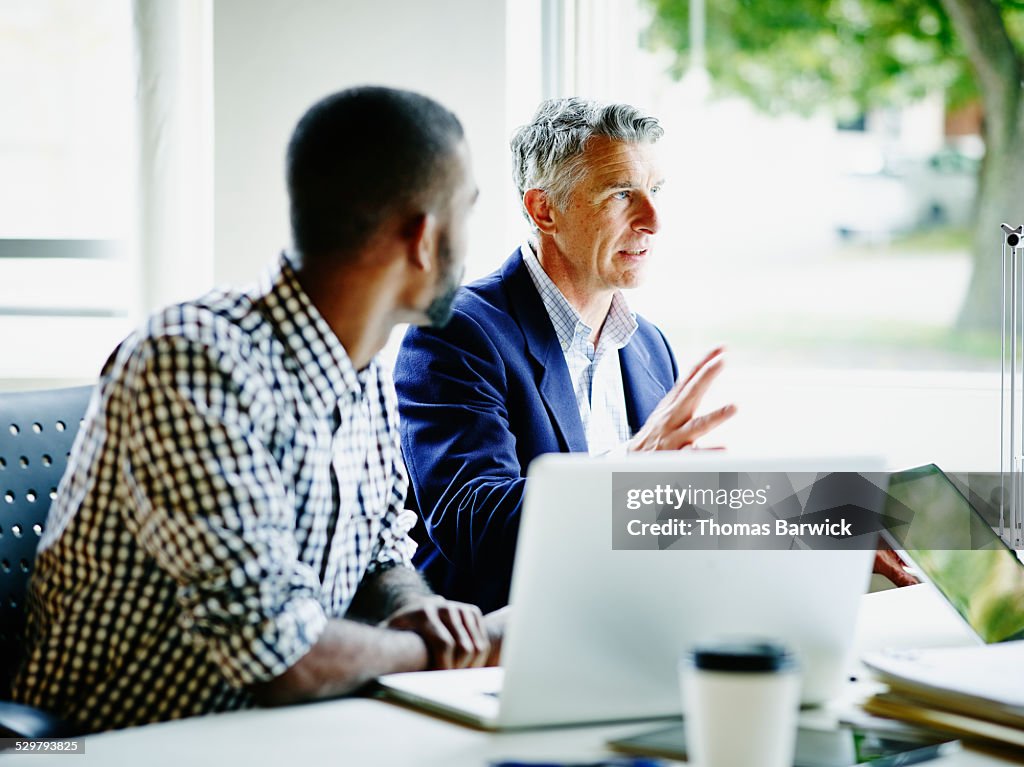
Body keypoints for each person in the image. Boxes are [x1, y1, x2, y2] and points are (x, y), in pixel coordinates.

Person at [13, 86, 500, 734]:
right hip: (124, 741)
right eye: (468, 211)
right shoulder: (194, 362)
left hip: (290, 732)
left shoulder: (367, 372)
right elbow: (277, 652)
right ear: (422, 237)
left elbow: (381, 552)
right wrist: (452, 651)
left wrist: (420, 609)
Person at [394, 98, 738, 613]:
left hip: (631, 629)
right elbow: (475, 526)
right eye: (623, 193)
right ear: (544, 210)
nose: (653, 220)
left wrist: (828, 528)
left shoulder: (649, 346)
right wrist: (630, 468)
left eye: (656, 191)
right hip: (500, 651)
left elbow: (673, 519)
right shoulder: (457, 333)